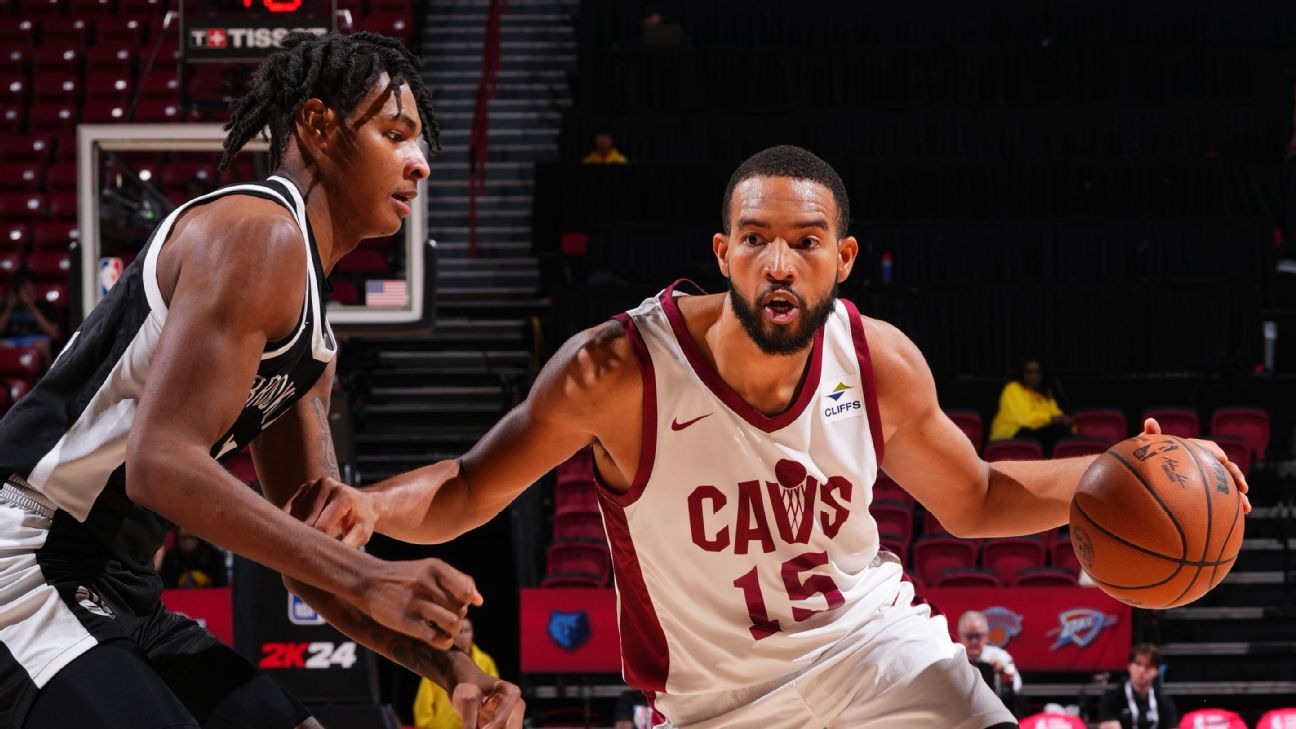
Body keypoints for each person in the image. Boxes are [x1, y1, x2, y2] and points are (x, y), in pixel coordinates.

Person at [300, 145, 1250, 728]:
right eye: (756, 238)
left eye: (805, 240)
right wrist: (365, 505)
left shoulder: (877, 360)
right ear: (724, 251)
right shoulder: (618, 368)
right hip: (718, 705)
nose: (778, 262)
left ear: (842, 256)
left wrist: (1107, 469)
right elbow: (470, 488)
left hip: (879, 656)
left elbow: (977, 497)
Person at [0, 32, 521, 729]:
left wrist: (451, 667)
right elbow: (161, 464)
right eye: (395, 134)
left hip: (118, 586)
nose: (420, 163)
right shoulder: (258, 231)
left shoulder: (312, 336)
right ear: (317, 124)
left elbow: (314, 557)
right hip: (28, 560)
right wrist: (374, 578)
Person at [413, 617, 499, 729]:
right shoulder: (438, 663)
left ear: (472, 633)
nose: (463, 636)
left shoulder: (486, 662)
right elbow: (423, 703)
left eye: (466, 631)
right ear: (452, 634)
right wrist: (426, 725)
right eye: (459, 631)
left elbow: (494, 697)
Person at [989, 358, 1072, 453]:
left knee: (1060, 432)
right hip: (1010, 435)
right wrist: (1051, 419)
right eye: (1029, 372)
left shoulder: (1043, 394)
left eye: (1037, 372)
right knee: (1039, 435)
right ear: (1022, 373)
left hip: (1035, 433)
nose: (1033, 376)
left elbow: (1056, 413)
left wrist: (1064, 420)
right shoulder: (1013, 389)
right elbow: (1025, 419)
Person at [1098, 643, 1180, 729]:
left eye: (1148, 666)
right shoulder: (1111, 698)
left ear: (1157, 671)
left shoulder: (1165, 702)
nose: (1142, 670)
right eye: (1138, 664)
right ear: (1129, 667)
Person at [958, 610, 1022, 710]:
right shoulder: (953, 657)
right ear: (960, 636)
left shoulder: (1000, 656)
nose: (974, 641)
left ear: (987, 636)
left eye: (978, 636)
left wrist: (1003, 670)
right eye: (969, 636)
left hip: (994, 710)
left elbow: (1017, 686)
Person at [0, 270, 61, 368]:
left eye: (28, 288)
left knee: (43, 345)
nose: (24, 292)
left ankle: (48, 379)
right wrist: (9, 308)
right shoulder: (5, 308)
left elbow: (54, 334)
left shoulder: (46, 307)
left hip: (35, 342)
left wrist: (31, 306)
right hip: (11, 343)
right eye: (22, 288)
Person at [159, 526, 230, 589]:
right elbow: (165, 588)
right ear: (177, 539)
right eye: (183, 538)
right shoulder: (170, 557)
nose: (187, 542)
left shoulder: (214, 556)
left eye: (192, 538)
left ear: (200, 539)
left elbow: (222, 588)